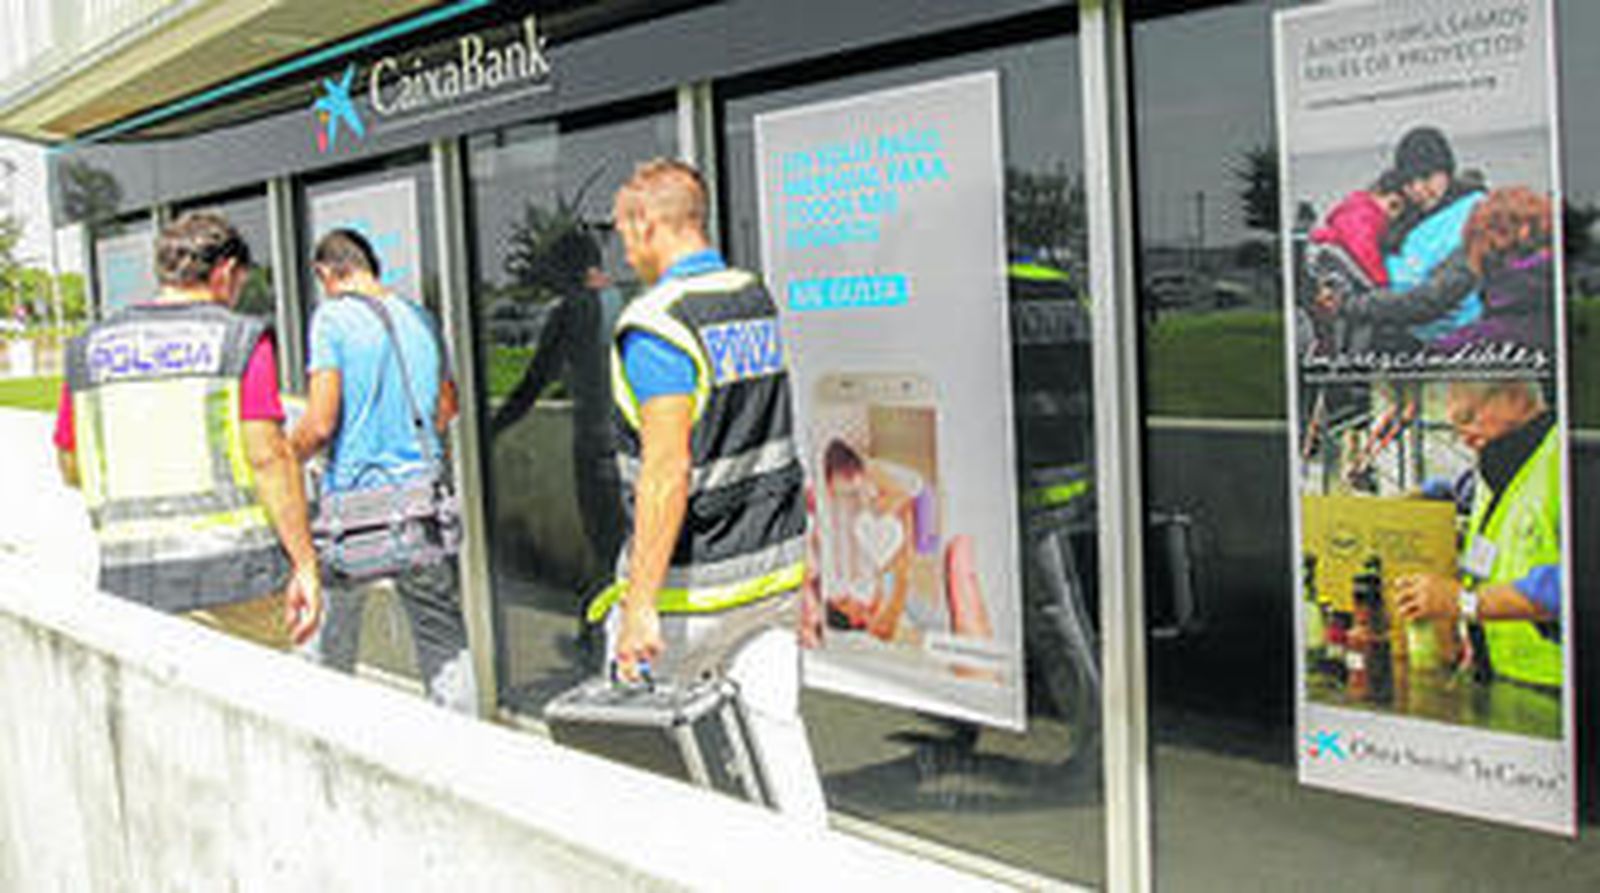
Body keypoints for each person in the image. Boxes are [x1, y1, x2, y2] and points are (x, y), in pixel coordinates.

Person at [591, 158, 826, 826]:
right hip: (772, 577)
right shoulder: (753, 295)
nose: (624, 249)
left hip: (690, 591)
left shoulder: (658, 323)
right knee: (779, 740)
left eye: (623, 232)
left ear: (648, 222)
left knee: (641, 771)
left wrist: (638, 606)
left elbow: (668, 471)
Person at [54, 211, 321, 648]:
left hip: (132, 582)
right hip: (237, 581)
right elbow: (269, 459)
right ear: (226, 272)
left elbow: (70, 466)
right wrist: (306, 565)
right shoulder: (238, 339)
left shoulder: (89, 349)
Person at [289, 228, 477, 714]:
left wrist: (286, 456)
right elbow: (445, 407)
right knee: (443, 637)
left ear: (326, 274)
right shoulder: (421, 319)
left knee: (327, 635)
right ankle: (468, 749)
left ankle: (324, 741)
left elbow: (321, 420)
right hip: (421, 503)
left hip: (352, 509)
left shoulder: (331, 318)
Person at [490, 225, 627, 650]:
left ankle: (601, 642)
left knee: (607, 550)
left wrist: (489, 430)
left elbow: (534, 382)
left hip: (595, 446)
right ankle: (599, 635)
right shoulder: (622, 301)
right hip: (630, 441)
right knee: (626, 546)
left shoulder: (573, 310)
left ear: (574, 270)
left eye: (557, 272)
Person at [1395, 380, 1561, 693]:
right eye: (1455, 425)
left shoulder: (1565, 461)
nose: (1463, 437)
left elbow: (1570, 583)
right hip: (1499, 675)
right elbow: (1462, 491)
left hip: (1558, 687)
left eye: (1469, 417)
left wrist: (1463, 602)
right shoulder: (1499, 460)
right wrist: (1417, 498)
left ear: (1514, 395)